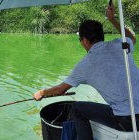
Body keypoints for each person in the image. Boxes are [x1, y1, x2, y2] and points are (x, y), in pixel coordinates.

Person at [34, 3, 139, 140]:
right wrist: (113, 19)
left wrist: (42, 92)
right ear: (102, 36)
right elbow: (132, 38)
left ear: (84, 40)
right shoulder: (120, 45)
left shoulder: (85, 64)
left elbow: (60, 90)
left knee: (77, 109)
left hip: (127, 120)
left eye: (80, 40)